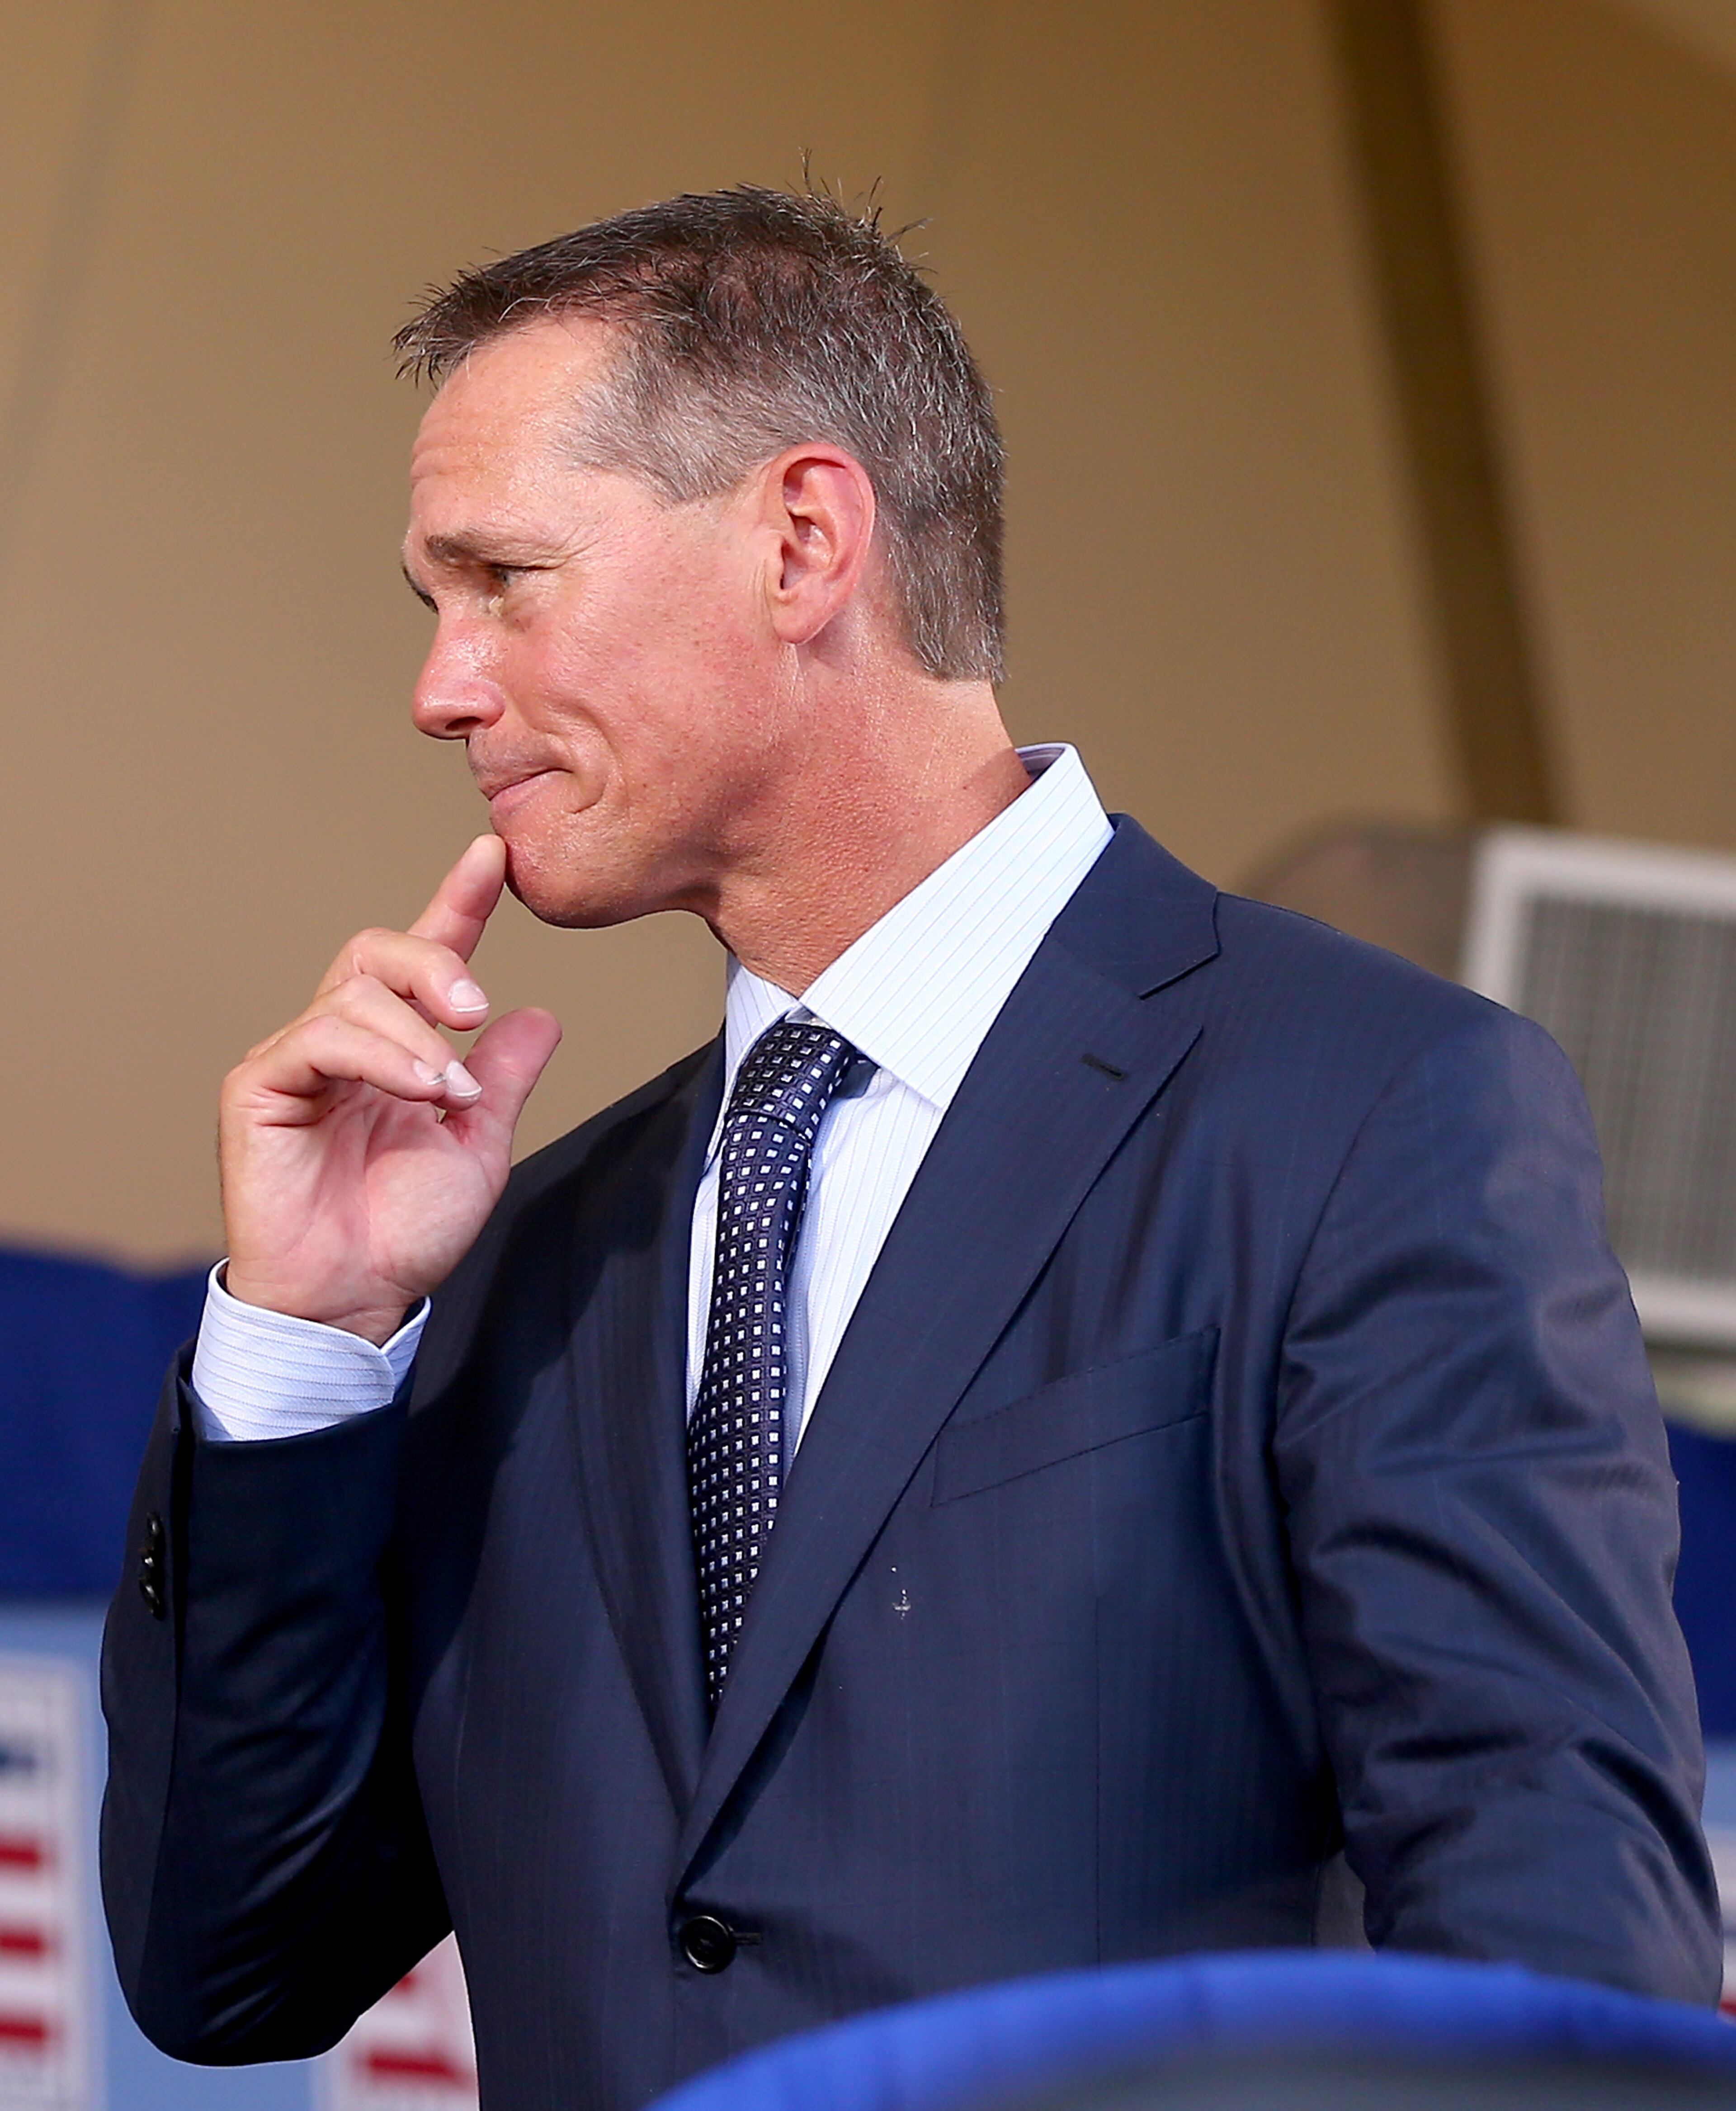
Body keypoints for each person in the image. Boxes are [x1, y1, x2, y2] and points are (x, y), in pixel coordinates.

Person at [99, 187, 1720, 2111]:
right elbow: (231, 1963)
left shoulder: (1367, 1105)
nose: (441, 687)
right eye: (432, 608)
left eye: (505, 580)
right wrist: (301, 1342)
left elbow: (1551, 1923)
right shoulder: (515, 1253)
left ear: (804, 541)